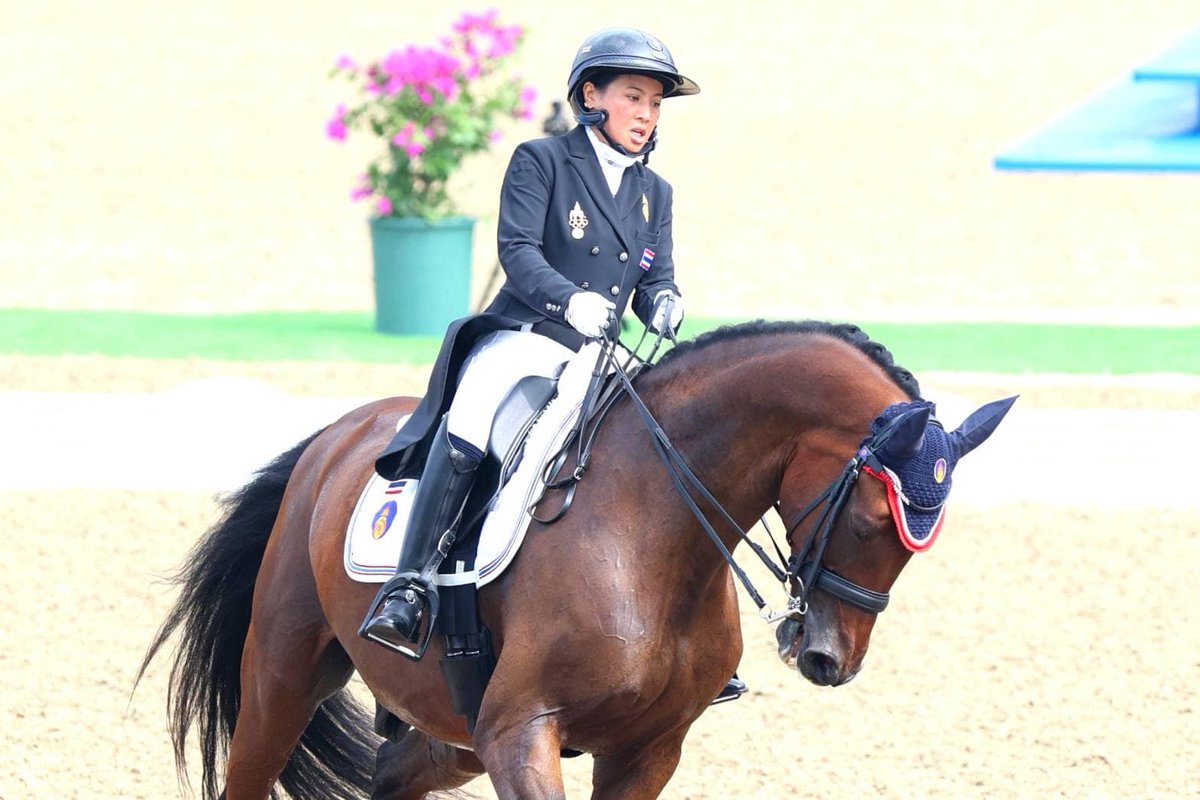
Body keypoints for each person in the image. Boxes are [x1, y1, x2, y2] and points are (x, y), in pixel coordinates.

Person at [360, 25, 745, 704]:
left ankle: (683, 628)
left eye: (655, 104)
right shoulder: (542, 160)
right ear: (591, 95)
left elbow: (656, 275)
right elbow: (519, 250)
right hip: (530, 334)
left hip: (601, 354)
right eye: (634, 98)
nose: (647, 115)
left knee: (671, 442)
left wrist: (664, 302)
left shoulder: (656, 191)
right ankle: (410, 586)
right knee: (477, 407)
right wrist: (570, 302)